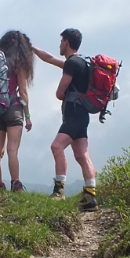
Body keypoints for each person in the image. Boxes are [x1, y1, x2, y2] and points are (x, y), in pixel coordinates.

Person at [35, 28, 98, 211]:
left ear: (67, 42)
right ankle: (90, 196)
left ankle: (59, 191)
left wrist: (64, 95)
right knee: (81, 154)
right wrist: (31, 48)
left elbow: (59, 93)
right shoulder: (83, 63)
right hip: (83, 115)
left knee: (56, 146)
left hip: (73, 114)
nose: (59, 44)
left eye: (61, 41)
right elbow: (49, 58)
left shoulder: (72, 65)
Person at [0, 30, 35, 192]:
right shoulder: (18, 62)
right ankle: (16, 184)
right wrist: (27, 115)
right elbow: (23, 90)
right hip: (13, 107)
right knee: (12, 149)